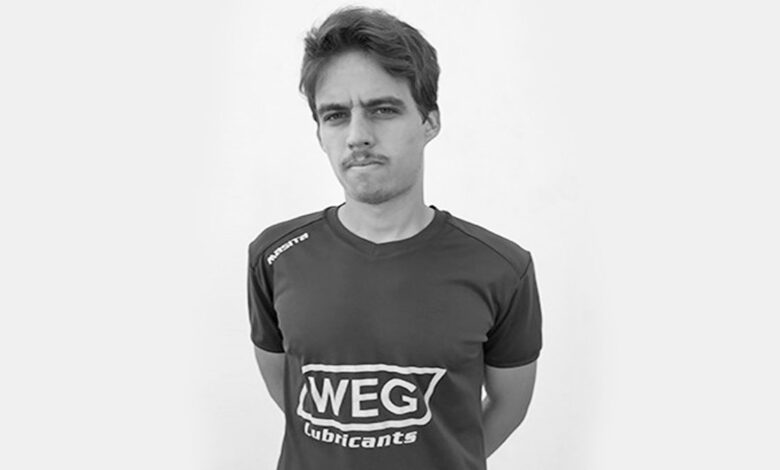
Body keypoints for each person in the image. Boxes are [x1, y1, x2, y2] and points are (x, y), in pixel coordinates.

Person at [247, 6, 542, 470]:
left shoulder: (502, 268)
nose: (357, 136)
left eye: (383, 110)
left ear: (429, 121)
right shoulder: (274, 256)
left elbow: (510, 404)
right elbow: (290, 393)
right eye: (336, 115)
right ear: (320, 133)